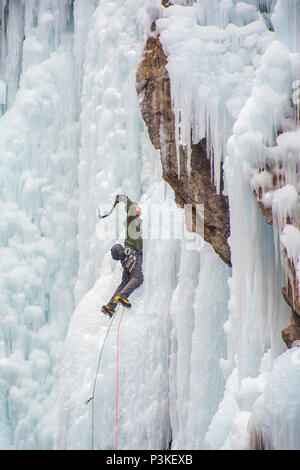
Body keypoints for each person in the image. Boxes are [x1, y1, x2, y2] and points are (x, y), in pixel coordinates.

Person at [101, 195, 144, 318]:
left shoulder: (134, 222)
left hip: (127, 258)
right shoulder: (132, 218)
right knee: (138, 278)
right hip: (131, 256)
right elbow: (130, 205)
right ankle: (123, 296)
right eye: (137, 208)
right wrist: (123, 198)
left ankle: (110, 306)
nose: (139, 209)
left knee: (125, 281)